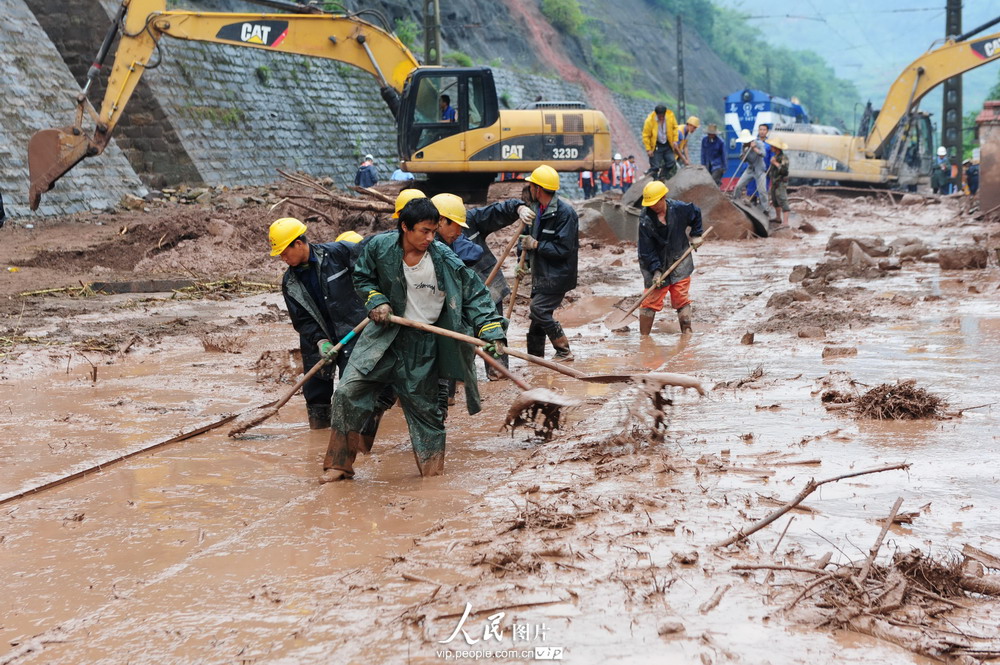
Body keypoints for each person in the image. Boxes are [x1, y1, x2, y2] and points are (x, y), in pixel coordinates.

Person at [321, 197, 507, 482]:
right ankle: (339, 465)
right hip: (382, 338)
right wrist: (376, 300)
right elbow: (362, 277)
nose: (430, 238)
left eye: (434, 231)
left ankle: (432, 475)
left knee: (427, 413)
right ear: (405, 227)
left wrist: (491, 330)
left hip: (422, 345)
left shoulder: (444, 258)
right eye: (424, 231)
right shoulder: (380, 248)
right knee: (348, 393)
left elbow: (475, 294)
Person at [269, 218, 393, 434]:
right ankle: (318, 437)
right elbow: (302, 320)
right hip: (319, 340)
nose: (283, 257)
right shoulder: (290, 282)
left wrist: (377, 299)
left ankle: (354, 440)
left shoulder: (339, 253)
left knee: (354, 388)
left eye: (284, 251)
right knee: (316, 393)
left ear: (298, 243)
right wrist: (320, 340)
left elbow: (371, 268)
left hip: (353, 331)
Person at [431, 191, 535, 376]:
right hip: (457, 301)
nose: (460, 231)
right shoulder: (428, 241)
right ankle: (461, 378)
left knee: (494, 339)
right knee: (462, 346)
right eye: (457, 226)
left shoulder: (469, 220)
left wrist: (518, 207)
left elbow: (496, 211)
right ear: (440, 221)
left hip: (489, 291)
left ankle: (498, 372)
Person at [519, 165, 578, 361]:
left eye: (532, 186)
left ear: (539, 189)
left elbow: (563, 249)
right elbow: (525, 239)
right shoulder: (536, 210)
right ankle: (535, 359)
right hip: (541, 273)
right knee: (537, 320)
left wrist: (536, 244)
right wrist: (523, 261)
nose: (529, 189)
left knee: (539, 309)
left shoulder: (565, 213)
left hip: (557, 275)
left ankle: (564, 351)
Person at [636, 181, 704, 335]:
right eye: (650, 204)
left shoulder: (680, 209)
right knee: (650, 300)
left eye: (655, 203)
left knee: (680, 297)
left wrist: (696, 234)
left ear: (663, 198)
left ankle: (687, 333)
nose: (652, 206)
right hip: (654, 260)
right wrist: (656, 271)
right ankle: (644, 338)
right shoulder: (645, 219)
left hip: (679, 258)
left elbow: (696, 213)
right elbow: (646, 250)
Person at [731, 128, 772, 218]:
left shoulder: (759, 143)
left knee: (762, 191)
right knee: (738, 186)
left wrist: (754, 148)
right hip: (750, 169)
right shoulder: (743, 146)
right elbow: (743, 159)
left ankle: (766, 210)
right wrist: (744, 153)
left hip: (760, 169)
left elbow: (763, 154)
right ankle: (735, 202)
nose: (745, 143)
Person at [642, 104, 679, 181]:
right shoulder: (650, 120)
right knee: (655, 166)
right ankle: (652, 180)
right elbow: (646, 135)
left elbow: (675, 128)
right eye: (660, 117)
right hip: (656, 145)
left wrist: (675, 140)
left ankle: (663, 174)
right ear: (656, 114)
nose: (661, 118)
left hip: (667, 143)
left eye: (663, 116)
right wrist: (648, 149)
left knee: (671, 161)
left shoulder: (670, 116)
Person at [767, 138, 791, 226]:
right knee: (774, 200)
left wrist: (775, 163)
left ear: (776, 147)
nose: (770, 147)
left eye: (772, 146)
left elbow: (784, 171)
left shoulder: (783, 157)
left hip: (780, 182)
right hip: (774, 182)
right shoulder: (775, 156)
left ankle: (786, 222)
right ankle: (778, 218)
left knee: (783, 200)